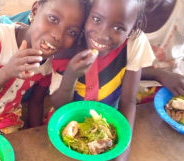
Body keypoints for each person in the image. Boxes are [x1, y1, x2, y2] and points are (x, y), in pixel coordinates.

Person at [0, 0, 89, 134]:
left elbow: (36, 102)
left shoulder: (51, 63)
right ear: (35, 10)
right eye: (53, 18)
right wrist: (6, 73)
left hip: (8, 120)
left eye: (72, 32)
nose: (58, 35)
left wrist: (35, 133)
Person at [49, 0, 154, 160]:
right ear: (87, 14)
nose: (102, 34)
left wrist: (122, 151)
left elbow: (129, 101)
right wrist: (70, 75)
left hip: (110, 123)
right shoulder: (68, 44)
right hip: (65, 125)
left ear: (133, 26)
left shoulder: (134, 43)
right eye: (97, 20)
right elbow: (59, 106)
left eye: (118, 28)